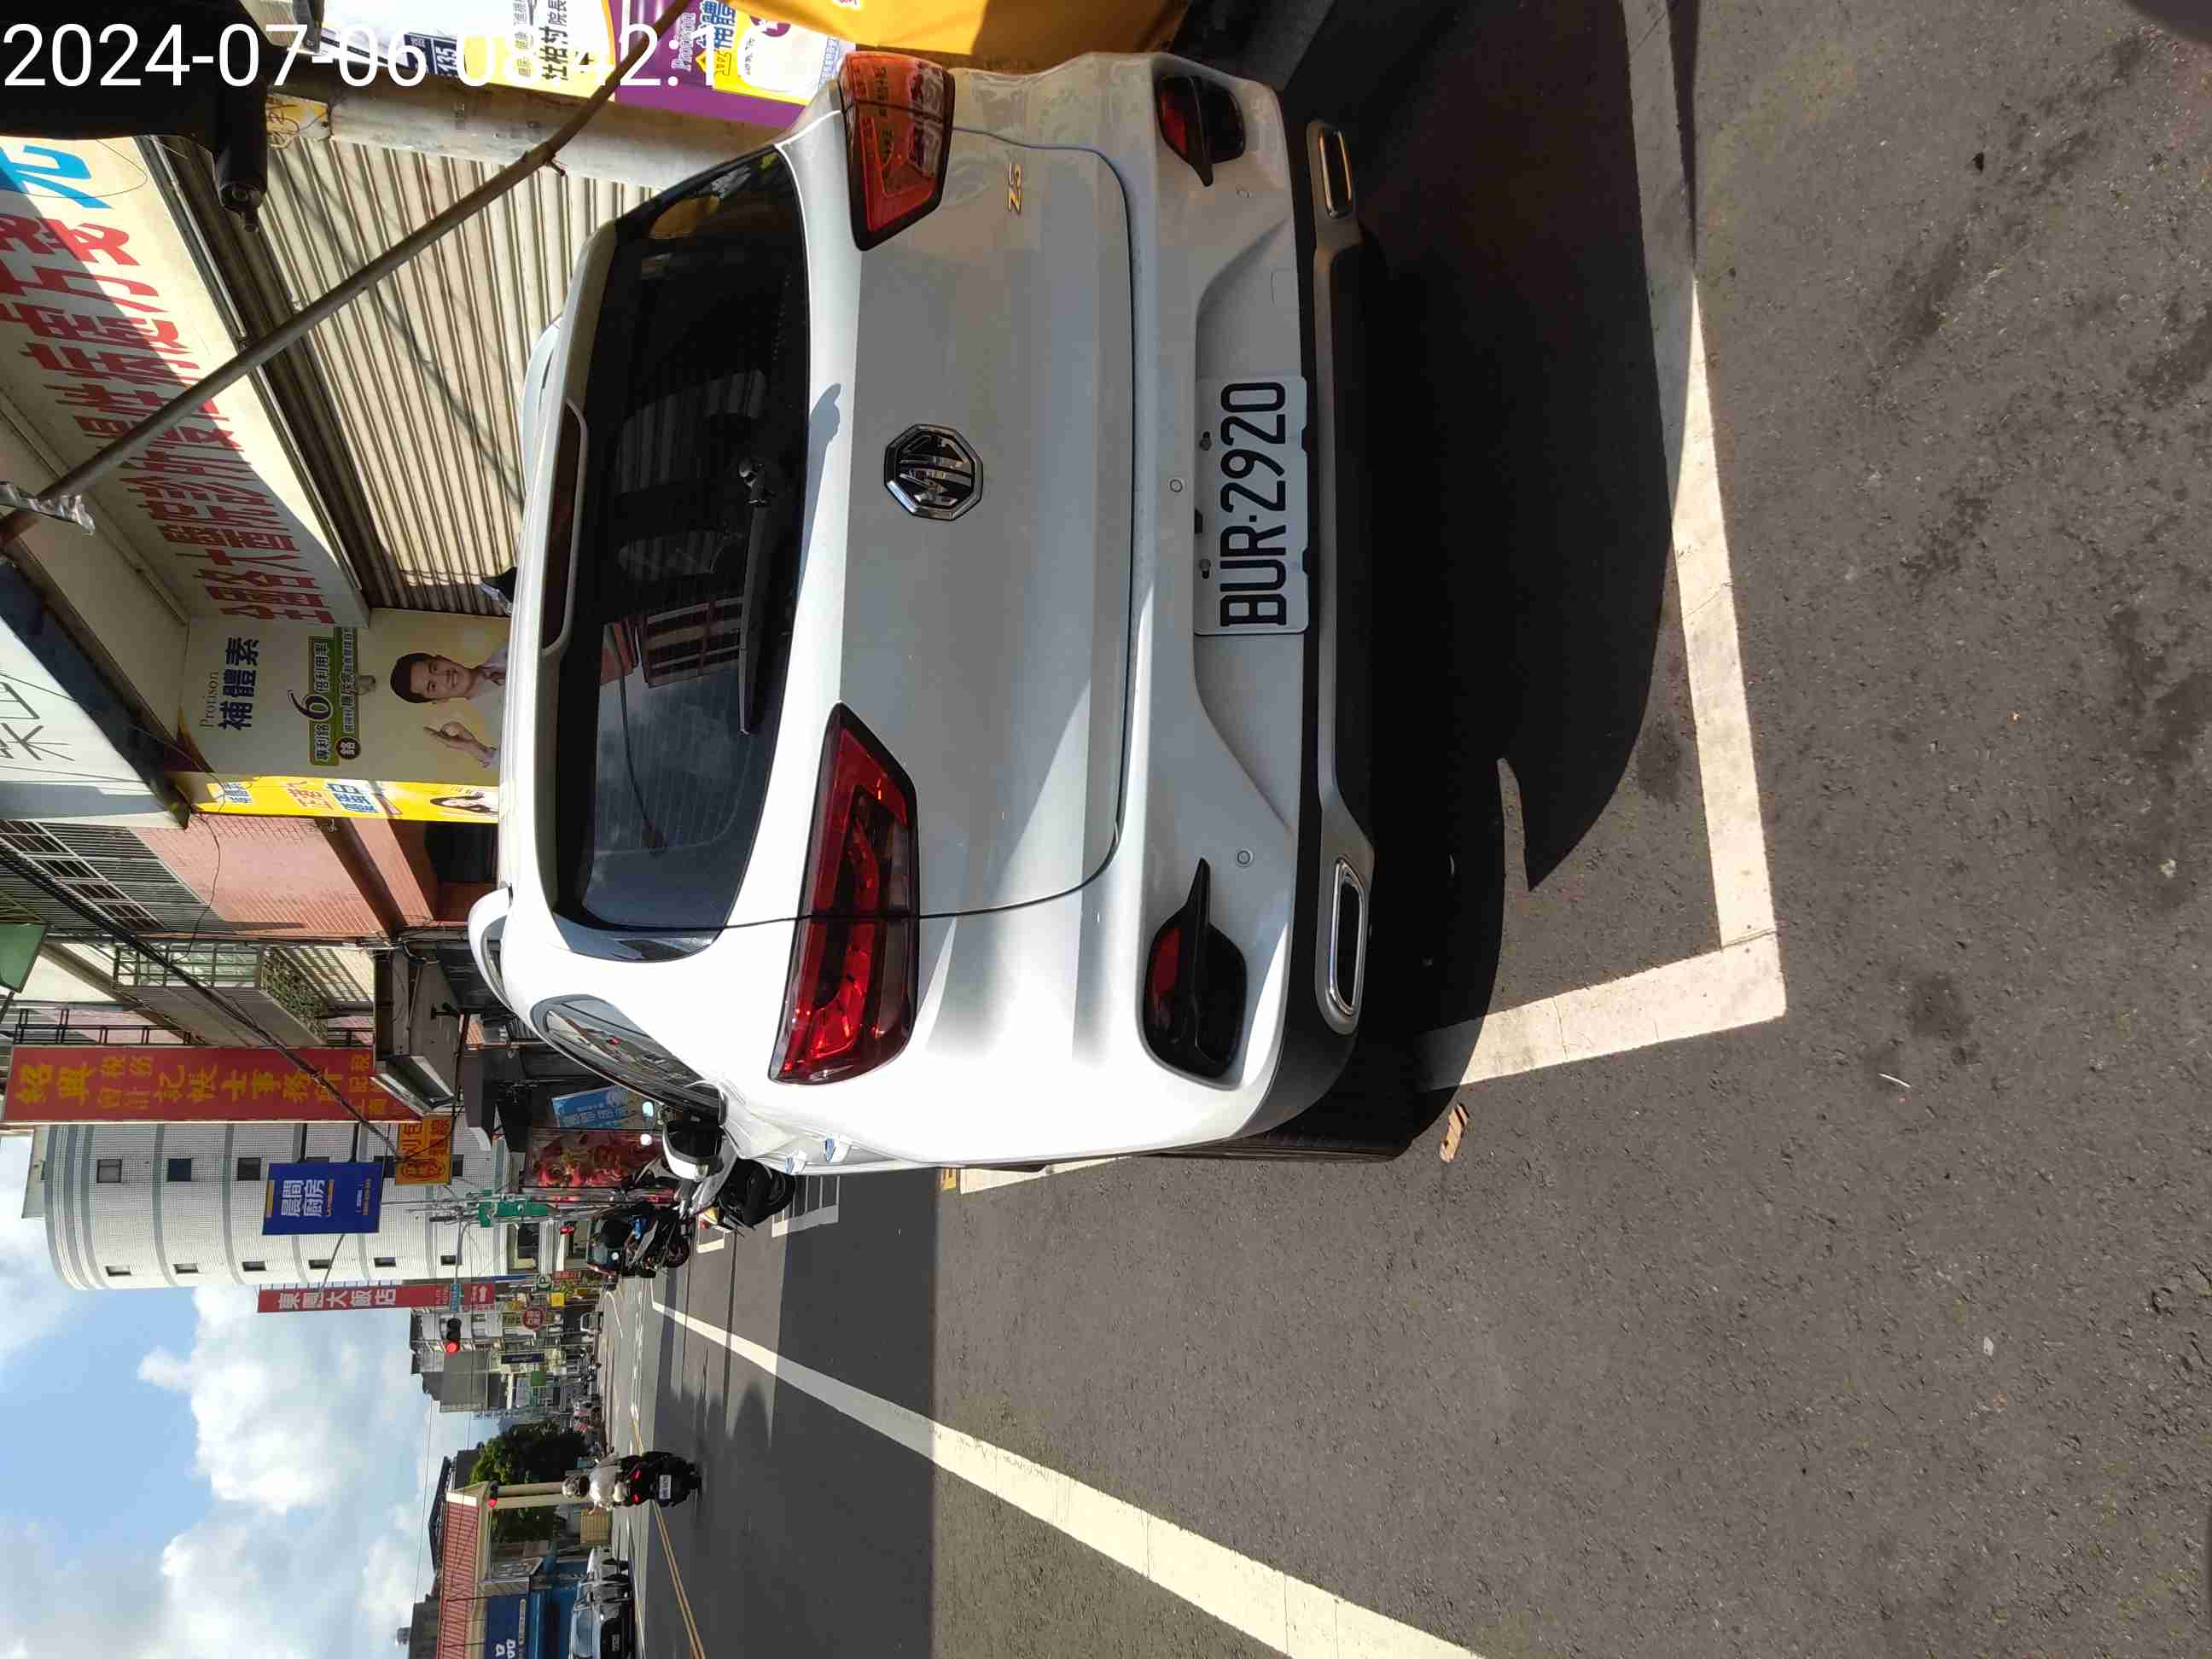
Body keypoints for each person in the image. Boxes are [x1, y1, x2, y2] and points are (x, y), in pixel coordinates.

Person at [393, 646, 505, 769]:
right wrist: (472, 747)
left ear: (442, 658)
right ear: (439, 700)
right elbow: (514, 765)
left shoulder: (508, 647)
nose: (443, 676)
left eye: (434, 668)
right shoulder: (501, 724)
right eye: (432, 686)